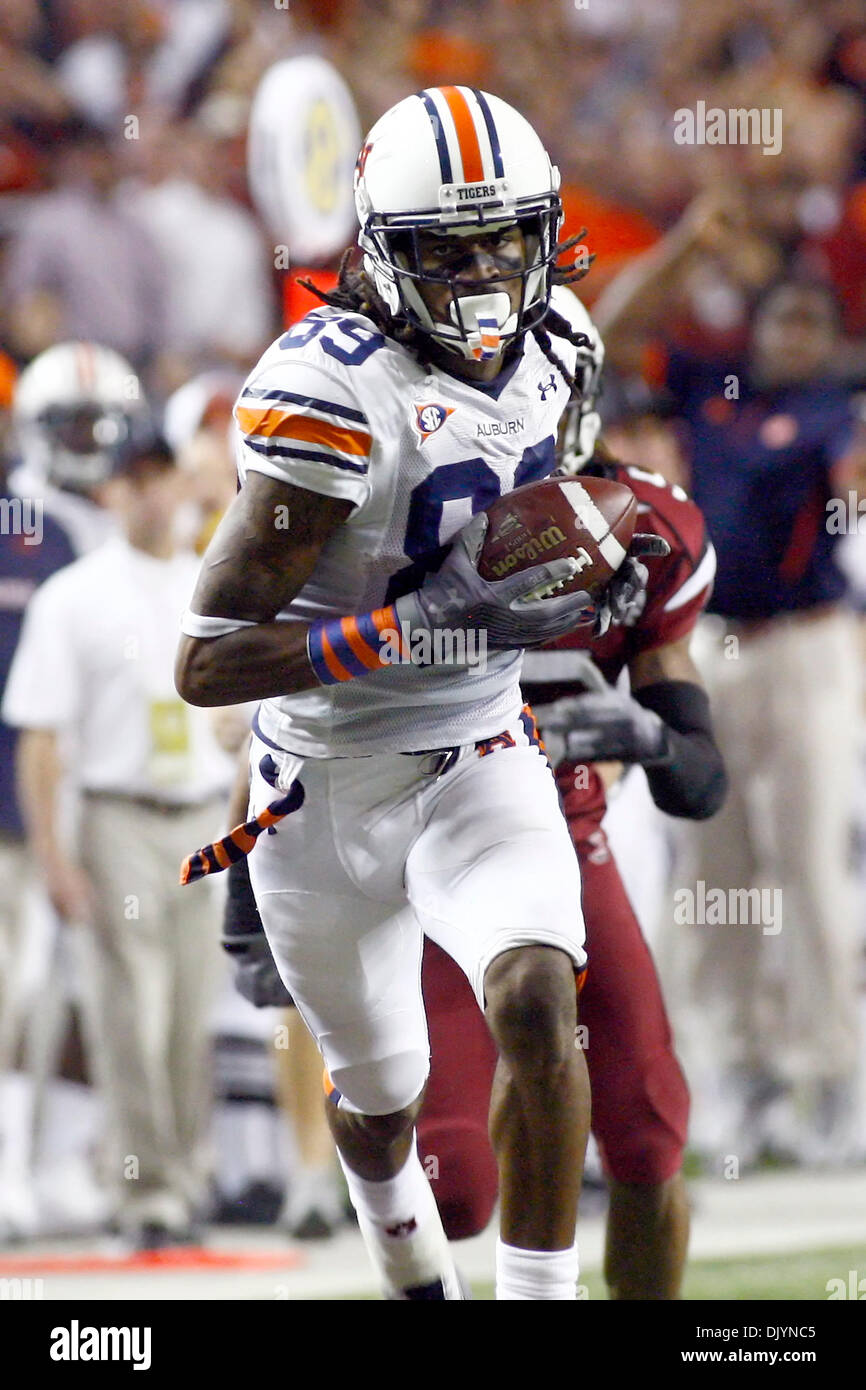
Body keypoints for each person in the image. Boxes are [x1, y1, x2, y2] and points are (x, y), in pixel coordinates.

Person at [175, 85, 654, 1301]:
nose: (490, 273)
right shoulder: (329, 397)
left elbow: (556, 511)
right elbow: (207, 661)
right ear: (385, 254)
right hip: (322, 780)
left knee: (540, 1001)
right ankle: (408, 1274)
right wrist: (410, 623)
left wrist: (603, 575)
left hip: (482, 740)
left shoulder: (560, 347)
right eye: (450, 249)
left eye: (507, 239)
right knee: (379, 1103)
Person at [416, 391, 727, 1298]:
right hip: (423, 833)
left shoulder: (646, 531)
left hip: (564, 825)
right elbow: (298, 697)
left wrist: (649, 737)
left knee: (646, 1127)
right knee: (456, 1187)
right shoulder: (411, 507)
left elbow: (698, 784)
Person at [599, 252, 866, 1165]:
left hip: (804, 645)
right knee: (713, 867)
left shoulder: (840, 413)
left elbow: (852, 484)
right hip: (709, 642)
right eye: (780, 320)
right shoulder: (710, 393)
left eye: (809, 324)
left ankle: (831, 1075)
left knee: (810, 868)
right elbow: (613, 332)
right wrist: (683, 245)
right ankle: (736, 1077)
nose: (792, 338)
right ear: (757, 328)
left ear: (832, 340)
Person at [3, 434, 234, 1248]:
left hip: (200, 814)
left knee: (189, 1013)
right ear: (110, 494)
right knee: (128, 1011)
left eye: (160, 479)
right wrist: (56, 858)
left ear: (179, 484)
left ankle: (184, 1171)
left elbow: (235, 722)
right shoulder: (75, 595)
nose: (150, 497)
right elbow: (40, 739)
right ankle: (147, 1189)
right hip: (116, 815)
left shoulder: (208, 587)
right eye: (132, 483)